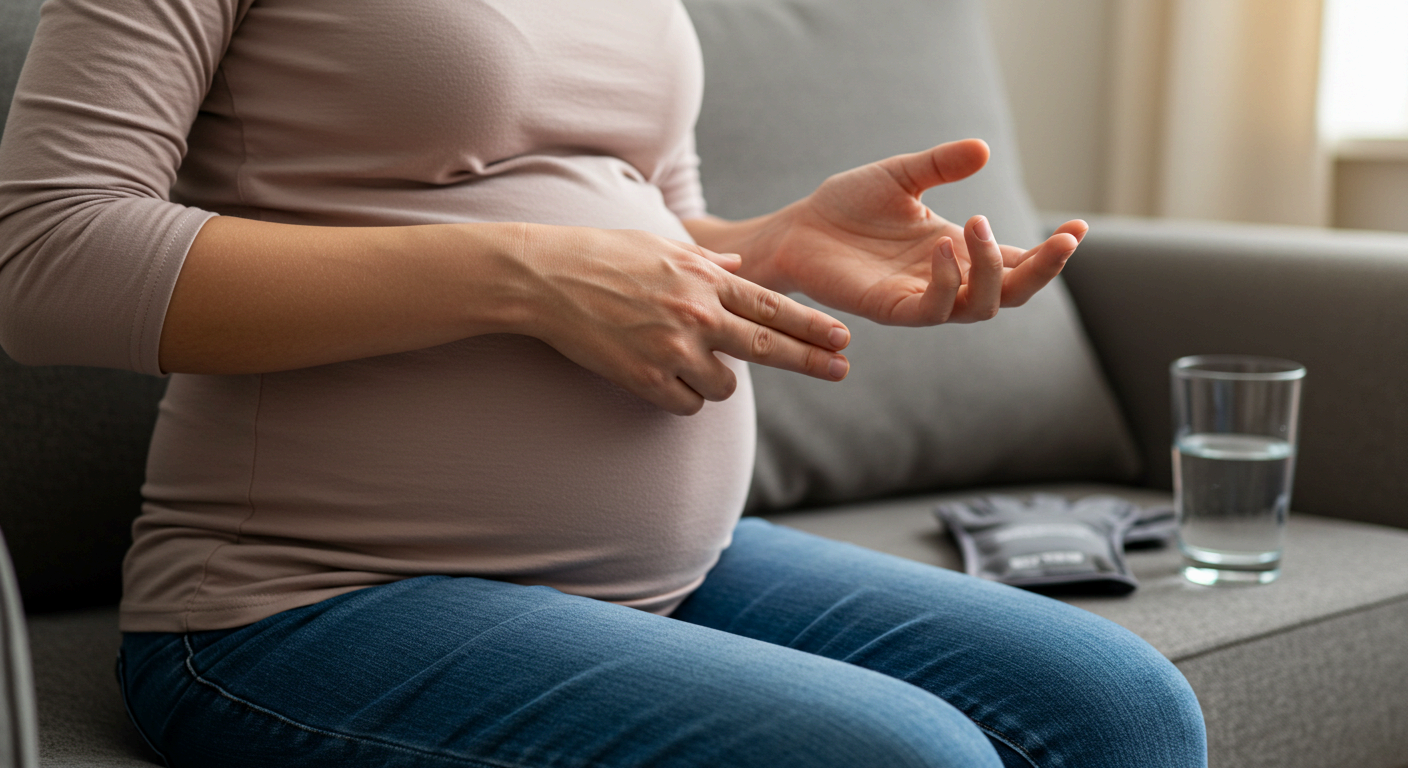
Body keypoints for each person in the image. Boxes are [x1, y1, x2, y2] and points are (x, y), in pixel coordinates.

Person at [0, 1, 1207, 766]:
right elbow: (46, 260)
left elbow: (645, 231)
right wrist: (517, 274)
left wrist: (770, 244)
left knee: (1121, 710)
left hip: (668, 572)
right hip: (304, 599)